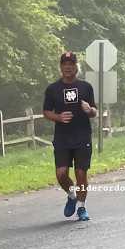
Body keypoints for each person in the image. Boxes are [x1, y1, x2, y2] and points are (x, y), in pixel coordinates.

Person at [43, 51, 97, 221]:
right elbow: (46, 111)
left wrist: (90, 110)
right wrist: (58, 117)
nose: (68, 67)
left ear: (76, 67)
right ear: (61, 67)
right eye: (65, 64)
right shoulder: (53, 89)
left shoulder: (86, 87)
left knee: (81, 174)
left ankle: (82, 207)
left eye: (71, 64)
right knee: (61, 173)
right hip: (62, 137)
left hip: (82, 136)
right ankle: (71, 195)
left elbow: (94, 111)